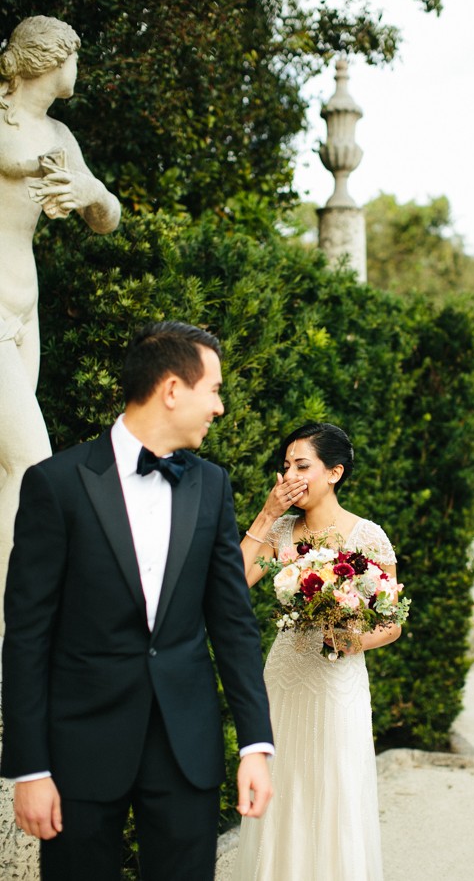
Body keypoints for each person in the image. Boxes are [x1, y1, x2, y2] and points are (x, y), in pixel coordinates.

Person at [1, 321, 274, 881]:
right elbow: (27, 635)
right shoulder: (56, 484)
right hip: (80, 751)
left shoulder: (213, 486)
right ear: (173, 389)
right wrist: (28, 768)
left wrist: (255, 744)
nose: (219, 407)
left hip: (186, 750)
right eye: (214, 390)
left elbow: (233, 625)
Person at [233, 421, 401, 881]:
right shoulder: (282, 531)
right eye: (285, 466)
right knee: (284, 785)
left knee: (336, 787)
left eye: (302, 465)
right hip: (285, 676)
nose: (290, 475)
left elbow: (391, 623)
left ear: (335, 472)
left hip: (338, 682)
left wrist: (353, 640)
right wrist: (265, 516)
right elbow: (231, 582)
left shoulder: (368, 537)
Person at [0, 15, 121, 613]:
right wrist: (35, 166)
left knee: (8, 471)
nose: (78, 70)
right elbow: (13, 155)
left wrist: (89, 193)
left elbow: (108, 215)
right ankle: (19, 624)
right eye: (75, 57)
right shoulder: (7, 127)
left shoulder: (60, 133)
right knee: (30, 462)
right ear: (53, 59)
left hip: (26, 307)